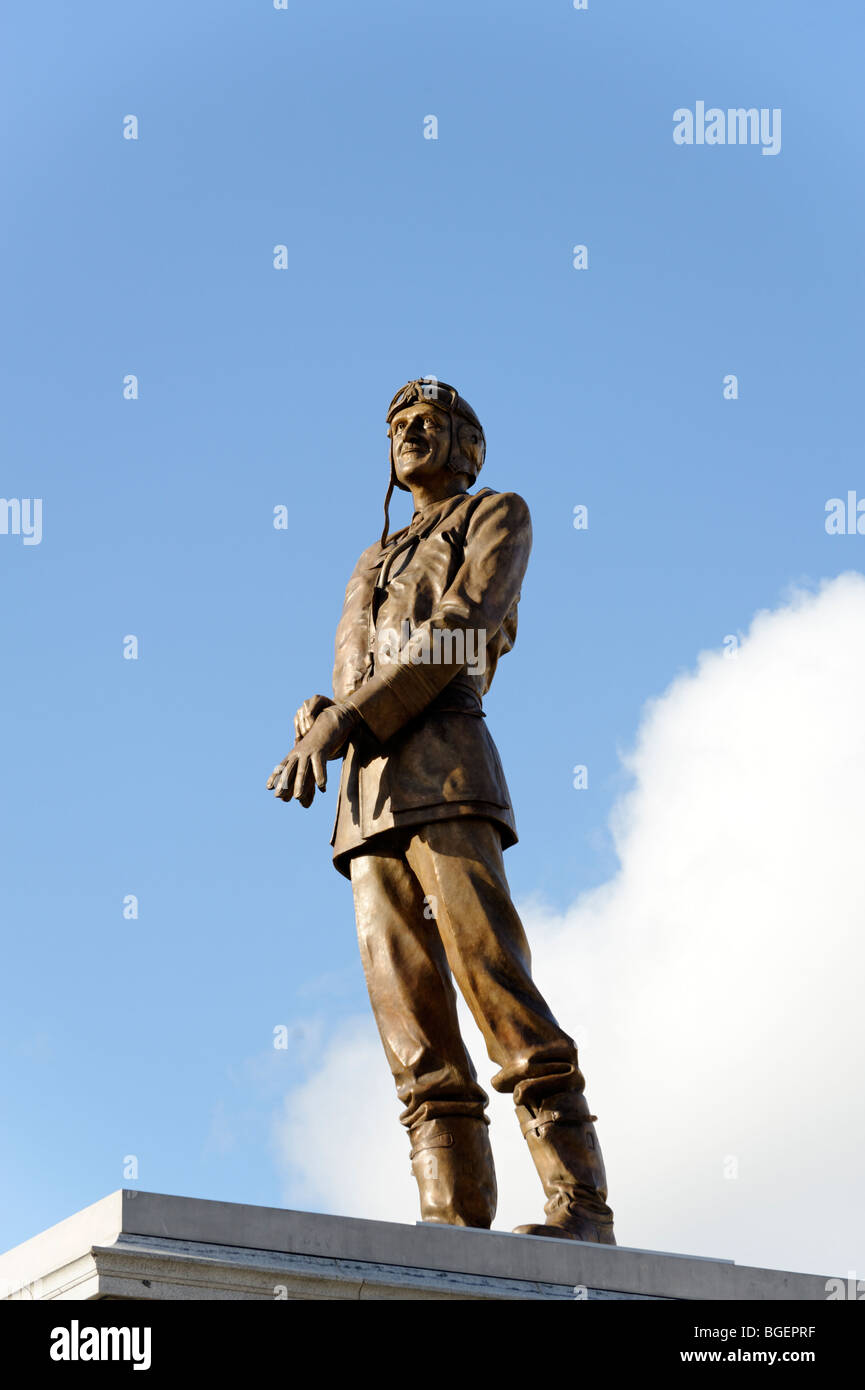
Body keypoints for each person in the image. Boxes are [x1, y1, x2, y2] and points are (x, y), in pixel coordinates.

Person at [267, 379, 616, 1243]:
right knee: (410, 1029)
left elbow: (462, 630)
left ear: (471, 448)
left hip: (448, 776)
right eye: (397, 425)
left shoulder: (496, 514)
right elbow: (361, 670)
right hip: (364, 805)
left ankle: (581, 1206)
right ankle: (450, 1222)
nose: (410, 431)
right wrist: (325, 710)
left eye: (432, 422)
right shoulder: (368, 560)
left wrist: (349, 718)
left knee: (497, 989)